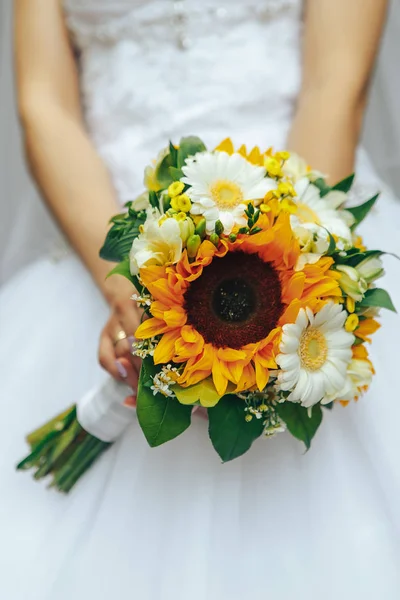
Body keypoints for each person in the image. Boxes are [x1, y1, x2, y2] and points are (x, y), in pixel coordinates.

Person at [1, 0, 400, 598]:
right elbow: (44, 105)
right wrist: (131, 291)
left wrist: (290, 286)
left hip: (298, 225)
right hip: (107, 245)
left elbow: (333, 86)